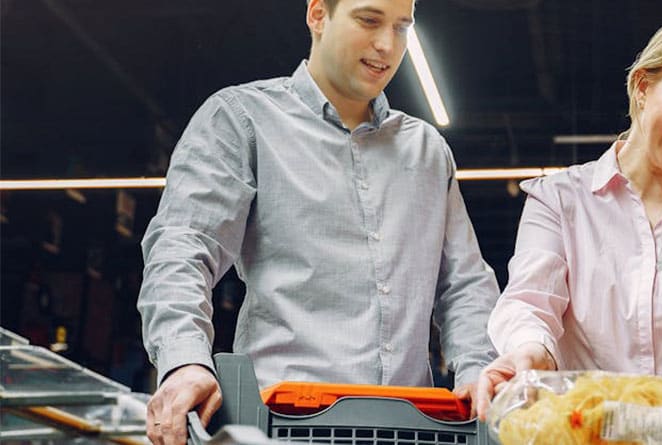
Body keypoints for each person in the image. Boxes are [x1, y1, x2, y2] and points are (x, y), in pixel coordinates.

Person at [137, 1, 499, 444]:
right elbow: (182, 247)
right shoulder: (243, 120)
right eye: (369, 20)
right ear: (317, 15)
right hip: (281, 426)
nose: (387, 45)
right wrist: (184, 360)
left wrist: (481, 373)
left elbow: (463, 284)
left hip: (412, 428)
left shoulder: (426, 150)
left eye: (402, 27)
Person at [473, 12, 662, 421]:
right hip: (585, 431)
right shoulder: (560, 200)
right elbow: (531, 303)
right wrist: (530, 353)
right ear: (643, 86)